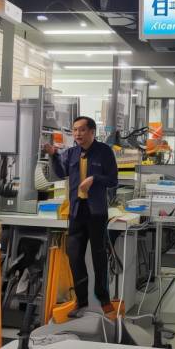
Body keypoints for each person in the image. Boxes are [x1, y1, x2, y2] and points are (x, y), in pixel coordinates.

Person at [44, 116, 118, 319]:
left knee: (99, 257)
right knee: (75, 256)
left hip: (96, 212)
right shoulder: (71, 152)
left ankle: (104, 299)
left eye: (82, 130)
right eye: (75, 130)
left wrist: (94, 179)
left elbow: (113, 180)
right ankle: (81, 300)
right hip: (76, 211)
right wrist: (53, 155)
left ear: (92, 132)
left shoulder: (104, 152)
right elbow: (61, 173)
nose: (77, 134)